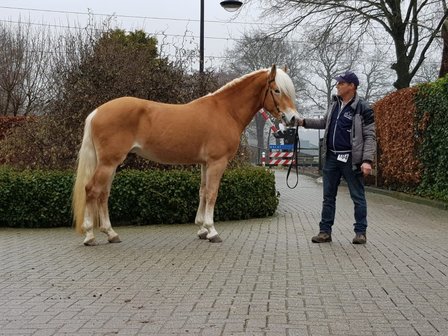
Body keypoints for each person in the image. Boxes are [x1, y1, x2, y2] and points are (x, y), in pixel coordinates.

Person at [297, 70, 376, 244]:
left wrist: (367, 160)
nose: (338, 86)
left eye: (341, 83)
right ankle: (325, 232)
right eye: (338, 83)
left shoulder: (363, 108)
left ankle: (360, 232)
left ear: (352, 86)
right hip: (332, 158)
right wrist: (302, 122)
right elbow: (324, 123)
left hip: (351, 160)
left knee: (358, 196)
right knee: (328, 197)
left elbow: (370, 136)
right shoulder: (334, 105)